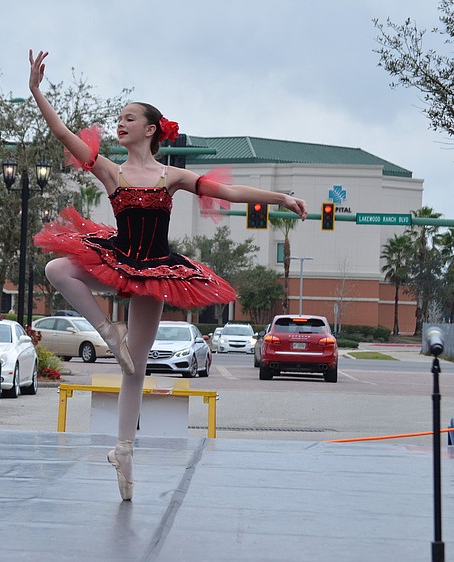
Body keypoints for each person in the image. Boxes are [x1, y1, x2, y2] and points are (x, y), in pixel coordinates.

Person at [28, 50, 307, 501]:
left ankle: (124, 451)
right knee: (57, 266)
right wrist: (37, 90)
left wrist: (281, 197)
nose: (120, 123)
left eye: (129, 118)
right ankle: (106, 329)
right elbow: (61, 131)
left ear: (150, 129)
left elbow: (230, 191)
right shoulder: (109, 169)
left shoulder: (170, 175)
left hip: (156, 271)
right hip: (117, 257)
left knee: (133, 369)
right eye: (118, 118)